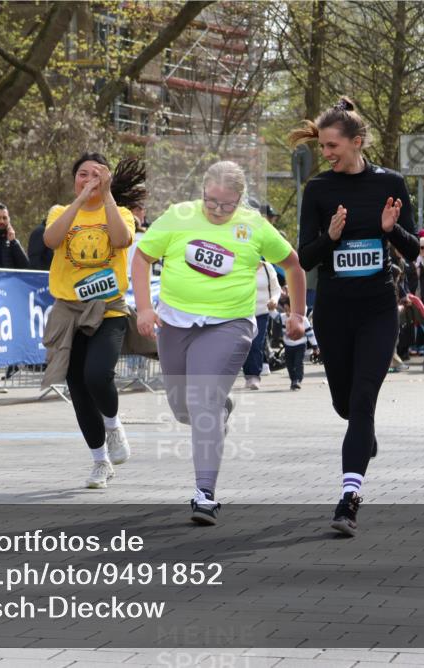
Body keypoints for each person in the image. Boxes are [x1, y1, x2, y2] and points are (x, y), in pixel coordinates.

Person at [132, 160, 306, 525]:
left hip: (230, 324)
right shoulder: (179, 217)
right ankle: (219, 410)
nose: (217, 210)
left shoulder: (255, 226)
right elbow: (143, 257)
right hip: (176, 323)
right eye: (211, 202)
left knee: (202, 401)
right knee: (184, 409)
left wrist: (297, 315)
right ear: (202, 193)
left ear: (240, 200)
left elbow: (293, 265)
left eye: (226, 205)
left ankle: (204, 494)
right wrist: (145, 308)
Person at [290, 97, 418, 536]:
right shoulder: (319, 191)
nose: (325, 153)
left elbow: (415, 249)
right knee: (346, 403)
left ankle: (348, 500)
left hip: (379, 308)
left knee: (363, 398)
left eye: (331, 146)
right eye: (322, 147)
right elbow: (304, 257)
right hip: (335, 311)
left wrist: (389, 229)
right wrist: (330, 237)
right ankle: (363, 433)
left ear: (356, 142)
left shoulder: (391, 183)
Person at [40, 153, 146, 489]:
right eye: (82, 174)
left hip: (108, 308)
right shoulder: (60, 212)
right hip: (68, 310)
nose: (89, 180)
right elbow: (51, 240)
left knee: (97, 375)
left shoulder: (122, 213)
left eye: (96, 175)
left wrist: (108, 195)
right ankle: (100, 462)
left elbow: (120, 240)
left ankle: (113, 425)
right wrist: (81, 200)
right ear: (74, 180)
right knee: (78, 388)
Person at [242, 258, 282, 390]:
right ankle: (248, 374)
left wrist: (274, 300)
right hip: (242, 313)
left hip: (262, 313)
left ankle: (254, 376)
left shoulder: (267, 268)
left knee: (257, 343)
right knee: (246, 344)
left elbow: (277, 289)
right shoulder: (240, 265)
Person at [272, 295, 317, 390]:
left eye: (289, 309)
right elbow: (274, 315)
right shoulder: (283, 317)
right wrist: (270, 308)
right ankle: (293, 380)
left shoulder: (302, 319)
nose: (287, 312)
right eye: (285, 309)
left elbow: (310, 333)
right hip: (288, 346)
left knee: (298, 363)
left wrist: (315, 346)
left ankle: (298, 380)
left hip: (300, 345)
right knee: (289, 364)